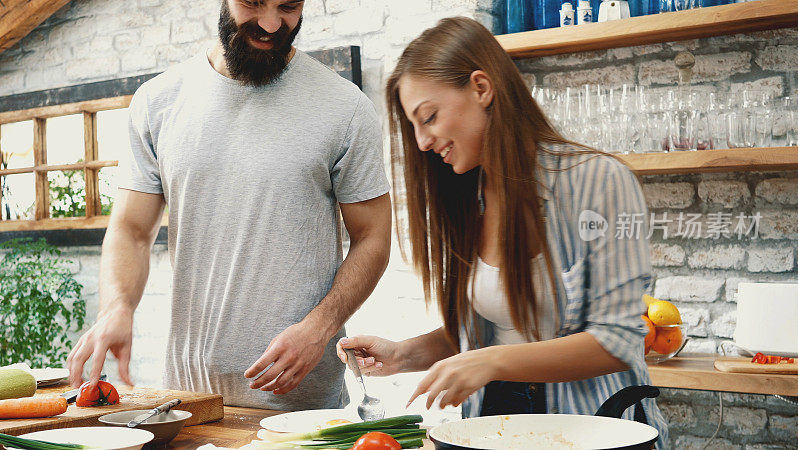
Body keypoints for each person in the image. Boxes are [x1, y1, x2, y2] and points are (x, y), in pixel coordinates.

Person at [336, 16, 668, 447]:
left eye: (429, 117)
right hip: (496, 426)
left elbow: (619, 341)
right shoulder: (466, 197)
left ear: (481, 88)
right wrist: (402, 355)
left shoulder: (599, 180)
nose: (421, 142)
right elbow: (484, 333)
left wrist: (492, 362)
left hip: (592, 427)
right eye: (413, 126)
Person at [67, 0, 391, 411]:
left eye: (288, 6)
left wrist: (320, 326)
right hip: (190, 401)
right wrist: (118, 306)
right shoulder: (157, 102)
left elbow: (373, 238)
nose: (272, 23)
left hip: (305, 411)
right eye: (253, 2)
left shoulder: (345, 109)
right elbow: (131, 229)